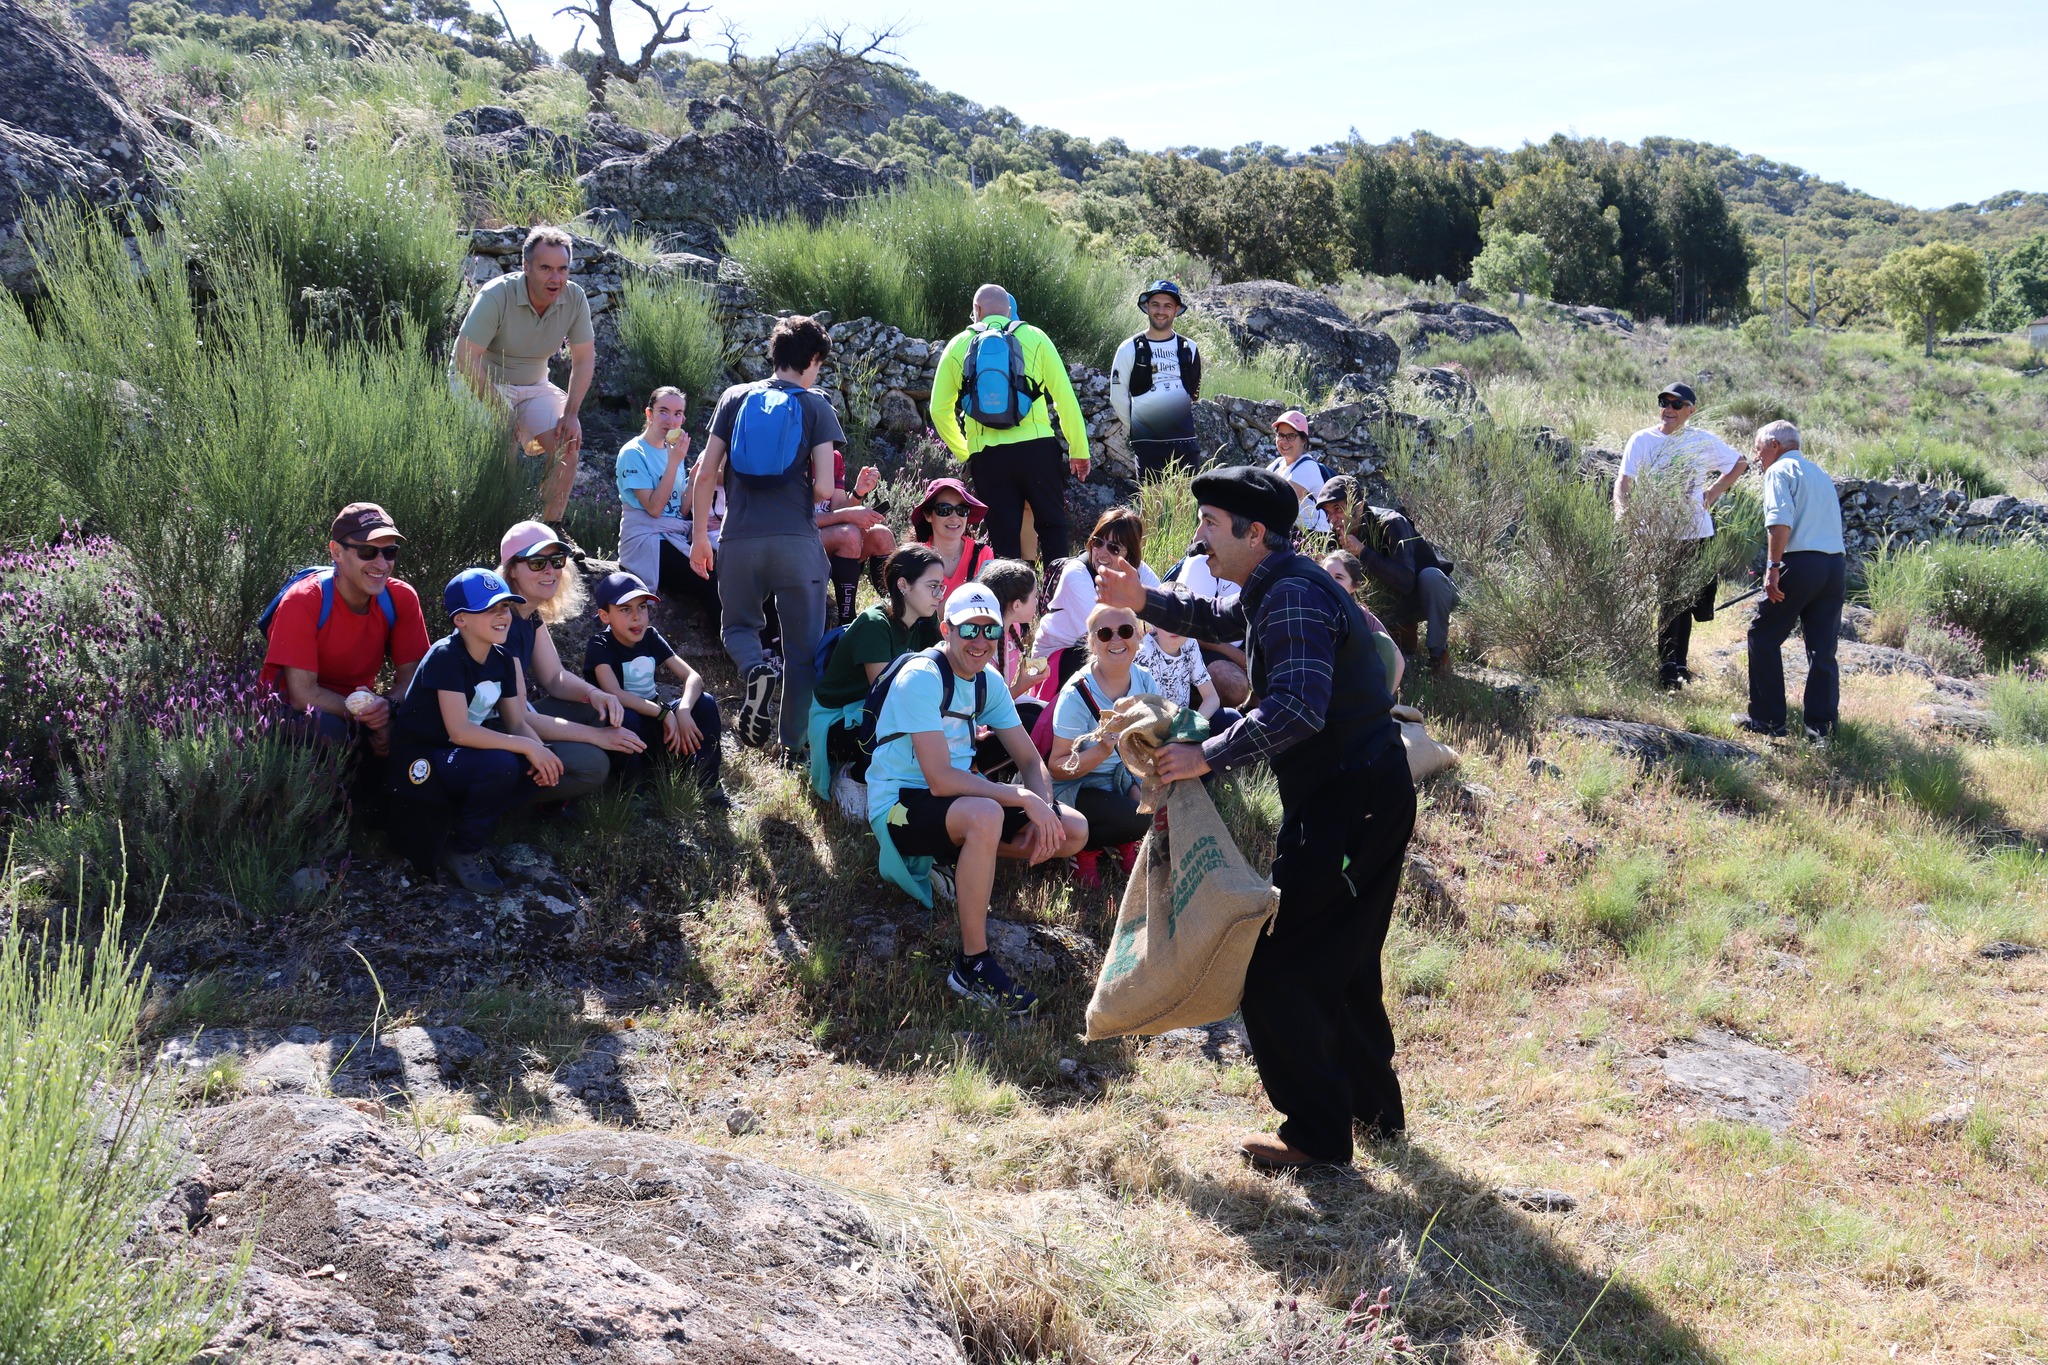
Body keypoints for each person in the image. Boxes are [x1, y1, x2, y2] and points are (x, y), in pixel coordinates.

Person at [1096, 466, 1413, 1171]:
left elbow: (1296, 706)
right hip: (1364, 794)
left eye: (1210, 522)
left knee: (1280, 968)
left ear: (1255, 532)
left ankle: (1319, 1135)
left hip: (1346, 804)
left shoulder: (1294, 593)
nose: (1200, 537)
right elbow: (1221, 621)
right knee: (1348, 955)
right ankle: (1373, 1109)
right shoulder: (1280, 586)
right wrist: (1144, 598)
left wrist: (1203, 753)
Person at [865, 584, 1089, 1014]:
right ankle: (972, 964)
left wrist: (1043, 811)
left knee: (1072, 830)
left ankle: (961, 859)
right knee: (985, 813)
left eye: (991, 631)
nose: (981, 641)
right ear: (947, 629)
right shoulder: (922, 677)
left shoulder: (987, 680)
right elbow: (939, 779)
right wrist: (1021, 796)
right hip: (897, 806)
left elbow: (1027, 756)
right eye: (969, 629)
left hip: (955, 804)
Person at [690, 315, 843, 755]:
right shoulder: (816, 406)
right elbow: (825, 489)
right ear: (813, 359)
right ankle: (791, 747)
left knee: (738, 625)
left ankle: (755, 667)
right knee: (803, 651)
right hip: (796, 543)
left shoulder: (735, 397)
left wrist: (701, 536)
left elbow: (705, 475)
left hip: (738, 539)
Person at [391, 569, 564, 893]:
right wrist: (525, 747)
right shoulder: (446, 656)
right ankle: (462, 849)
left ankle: (464, 825)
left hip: (458, 756)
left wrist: (542, 752)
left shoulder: (501, 658)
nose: (502, 615)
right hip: (422, 757)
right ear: (461, 620)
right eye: (489, 609)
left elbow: (516, 722)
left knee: (539, 762)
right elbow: (459, 731)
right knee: (500, 765)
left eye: (505, 607)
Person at [930, 283, 1092, 566]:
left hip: (988, 455)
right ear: (1008, 309)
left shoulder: (958, 345)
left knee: (1003, 540)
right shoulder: (1035, 337)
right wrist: (1079, 449)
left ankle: (1009, 606)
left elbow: (938, 409)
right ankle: (1060, 599)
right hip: (1037, 449)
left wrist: (966, 452)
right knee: (1053, 527)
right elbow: (1064, 398)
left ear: (976, 311)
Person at [261, 501, 432, 759]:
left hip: (357, 710)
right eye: (367, 551)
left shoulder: (401, 598)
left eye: (390, 552)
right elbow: (302, 695)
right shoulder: (304, 600)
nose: (381, 564)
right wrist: (370, 716)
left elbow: (412, 679)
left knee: (421, 726)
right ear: (336, 552)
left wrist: (388, 708)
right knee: (328, 731)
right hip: (290, 715)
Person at [451, 226, 595, 525]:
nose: (555, 278)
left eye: (562, 269)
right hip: (480, 382)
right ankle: (498, 527)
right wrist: (499, 409)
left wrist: (571, 413)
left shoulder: (575, 298)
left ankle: (550, 531)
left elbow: (584, 359)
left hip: (533, 384)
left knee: (568, 441)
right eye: (545, 268)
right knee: (501, 439)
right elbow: (465, 356)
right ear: (526, 266)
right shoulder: (497, 294)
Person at [497, 521, 645, 804]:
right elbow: (518, 719)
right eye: (538, 562)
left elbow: (554, 677)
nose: (551, 571)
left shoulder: (528, 612)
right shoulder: (501, 622)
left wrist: (595, 694)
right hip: (495, 731)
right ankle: (510, 800)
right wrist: (595, 737)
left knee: (597, 710)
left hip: (514, 720)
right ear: (512, 570)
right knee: (593, 765)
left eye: (556, 561)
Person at [1613, 381, 1749, 689]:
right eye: (1664, 402)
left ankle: (1679, 663)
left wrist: (1712, 493)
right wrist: (1623, 513)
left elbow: (1739, 463)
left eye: (1676, 404)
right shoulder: (1642, 440)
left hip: (1694, 532)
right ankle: (1667, 667)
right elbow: (1623, 482)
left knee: (1687, 601)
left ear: (1691, 410)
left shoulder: (1701, 441)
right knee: (1669, 599)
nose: (1668, 409)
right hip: (1657, 532)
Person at [811, 544, 946, 815]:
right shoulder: (875, 623)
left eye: (941, 587)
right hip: (838, 721)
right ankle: (853, 776)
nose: (939, 595)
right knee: (907, 723)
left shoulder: (924, 621)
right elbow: (886, 695)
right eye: (933, 586)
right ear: (903, 585)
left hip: (869, 712)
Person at [1732, 421, 1846, 741]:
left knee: (1763, 635)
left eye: (1758, 449)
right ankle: (1821, 728)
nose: (1757, 458)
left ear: (1774, 445)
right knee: (1822, 649)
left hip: (1801, 563)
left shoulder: (1779, 472)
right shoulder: (1820, 474)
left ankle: (1768, 721)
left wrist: (1773, 567)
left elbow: (1780, 522)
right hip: (1834, 566)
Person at [582, 571, 727, 803]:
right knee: (624, 717)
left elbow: (692, 677)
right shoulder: (600, 645)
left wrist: (683, 710)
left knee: (706, 702)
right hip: (625, 732)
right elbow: (614, 693)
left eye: (642, 607)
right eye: (625, 609)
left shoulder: (650, 637)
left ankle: (707, 783)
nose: (637, 617)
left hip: (658, 726)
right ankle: (632, 792)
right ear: (604, 615)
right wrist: (662, 713)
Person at [1047, 603, 1157, 885]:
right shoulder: (1077, 693)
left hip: (1121, 780)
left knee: (1159, 809)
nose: (1117, 640)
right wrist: (1102, 750)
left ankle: (1120, 841)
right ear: (1092, 643)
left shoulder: (1145, 680)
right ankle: (1085, 848)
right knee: (1140, 819)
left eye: (1125, 630)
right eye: (1105, 634)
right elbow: (1057, 767)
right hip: (1079, 787)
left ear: (1139, 636)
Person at [1317, 476, 1459, 679]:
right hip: (1392, 603)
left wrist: (1363, 552)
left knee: (1431, 577)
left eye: (1338, 509)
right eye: (1328, 513)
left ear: (1358, 506)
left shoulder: (1391, 522)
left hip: (1429, 594)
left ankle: (1438, 656)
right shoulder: (1335, 537)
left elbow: (1406, 581)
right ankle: (1402, 634)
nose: (1333, 519)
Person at [615, 386, 723, 627]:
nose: (671, 420)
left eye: (678, 414)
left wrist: (693, 479)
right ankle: (733, 647)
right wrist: (674, 463)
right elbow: (654, 509)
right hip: (647, 539)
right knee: (709, 578)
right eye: (663, 412)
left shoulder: (672, 451)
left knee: (729, 565)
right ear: (649, 414)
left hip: (673, 533)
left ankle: (766, 643)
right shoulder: (633, 453)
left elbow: (679, 511)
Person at [1034, 507, 1160, 689]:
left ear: (1129, 554)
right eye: (1098, 542)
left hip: (1108, 646)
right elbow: (1100, 632)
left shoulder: (1137, 570)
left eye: (1114, 548)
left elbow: (1165, 616)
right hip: (1061, 658)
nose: (1101, 552)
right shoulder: (1076, 574)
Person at [1108, 281, 1203, 482]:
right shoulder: (1128, 348)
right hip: (1148, 444)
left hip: (1185, 441)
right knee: (1152, 509)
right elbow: (1117, 397)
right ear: (1147, 307)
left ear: (1177, 310)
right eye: (1155, 304)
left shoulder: (1190, 348)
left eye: (1167, 305)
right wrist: (1139, 428)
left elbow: (1192, 393)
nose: (1161, 311)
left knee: (1184, 508)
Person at [1163, 548, 1252, 709]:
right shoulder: (1201, 563)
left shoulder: (1259, 563)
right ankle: (1197, 704)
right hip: (1202, 645)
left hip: (1241, 644)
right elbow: (1190, 629)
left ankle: (1252, 712)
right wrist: (1243, 660)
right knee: (1234, 686)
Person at [818, 453, 897, 626]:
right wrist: (849, 515)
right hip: (798, 537)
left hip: (828, 536)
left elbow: (836, 510)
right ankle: (846, 621)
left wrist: (857, 493)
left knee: (882, 535)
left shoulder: (833, 456)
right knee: (849, 534)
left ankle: (896, 613)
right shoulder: (791, 451)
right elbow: (796, 519)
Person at [910, 477, 997, 597]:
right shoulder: (914, 559)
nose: (955, 517)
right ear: (928, 515)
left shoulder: (982, 555)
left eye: (962, 509)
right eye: (944, 509)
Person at [1135, 620, 1221, 719]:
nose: (1174, 627)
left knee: (1229, 716)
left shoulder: (1190, 644)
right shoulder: (1143, 653)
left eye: (1181, 618)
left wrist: (1193, 726)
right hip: (1155, 727)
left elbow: (1211, 698)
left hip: (1184, 724)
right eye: (1167, 619)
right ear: (1154, 622)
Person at [1267, 410, 1329, 534]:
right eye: (1280, 435)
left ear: (1303, 440)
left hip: (1311, 537)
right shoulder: (1277, 464)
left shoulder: (1307, 467)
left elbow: (1283, 506)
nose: (1284, 441)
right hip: (1289, 532)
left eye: (1291, 436)